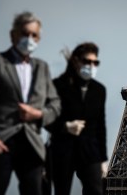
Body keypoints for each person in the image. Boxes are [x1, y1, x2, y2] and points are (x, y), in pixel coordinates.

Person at [0, 11, 61, 195]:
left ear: (39, 38)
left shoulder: (42, 67)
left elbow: (56, 105)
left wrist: (38, 114)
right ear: (13, 35)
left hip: (32, 143)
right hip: (0, 139)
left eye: (34, 35)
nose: (29, 38)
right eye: (25, 33)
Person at [47, 42, 108, 195]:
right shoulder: (57, 86)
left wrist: (103, 159)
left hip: (90, 151)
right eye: (87, 61)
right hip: (63, 149)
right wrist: (65, 127)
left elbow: (100, 125)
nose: (92, 65)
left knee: (95, 191)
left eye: (95, 62)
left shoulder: (99, 90)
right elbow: (46, 119)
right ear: (75, 61)